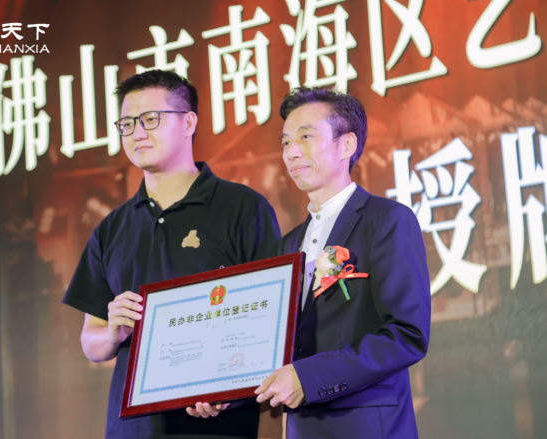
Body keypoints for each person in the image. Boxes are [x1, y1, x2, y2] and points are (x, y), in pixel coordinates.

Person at [62, 69, 281, 439]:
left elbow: (271, 319)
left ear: (188, 122)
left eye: (151, 119)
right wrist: (113, 333)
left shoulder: (242, 207)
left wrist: (228, 392)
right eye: (127, 123)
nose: (137, 133)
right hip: (132, 427)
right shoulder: (112, 229)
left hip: (215, 423)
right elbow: (92, 343)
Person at [254, 86, 431, 438]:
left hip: (367, 426)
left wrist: (309, 377)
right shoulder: (287, 245)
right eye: (286, 142)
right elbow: (274, 346)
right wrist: (224, 397)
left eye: (305, 137)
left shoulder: (386, 220)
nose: (291, 152)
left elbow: (407, 334)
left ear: (346, 145)